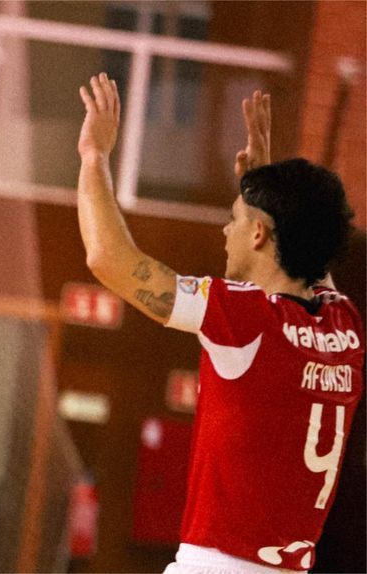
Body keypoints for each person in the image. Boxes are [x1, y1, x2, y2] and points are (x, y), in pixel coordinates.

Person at [76, 72, 363, 572]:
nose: (224, 230)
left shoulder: (246, 319)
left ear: (256, 234)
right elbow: (307, 244)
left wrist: (93, 157)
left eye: (234, 217)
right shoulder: (344, 326)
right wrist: (266, 184)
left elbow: (108, 258)